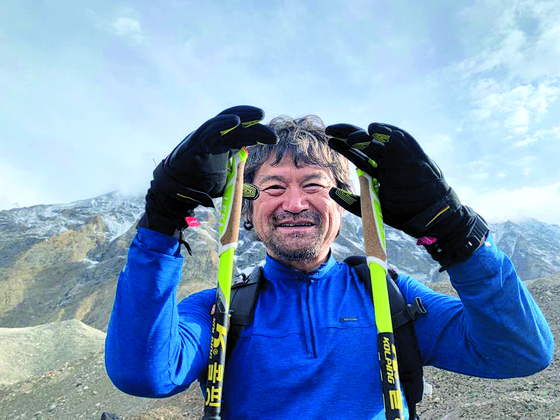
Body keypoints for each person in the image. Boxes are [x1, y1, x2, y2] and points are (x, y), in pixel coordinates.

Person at [105, 105, 554, 420]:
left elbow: (519, 353)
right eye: (274, 187)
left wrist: (456, 234)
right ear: (246, 207)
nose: (294, 202)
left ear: (343, 202)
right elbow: (143, 375)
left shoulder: (390, 297)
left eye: (314, 185)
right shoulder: (218, 308)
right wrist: (160, 226)